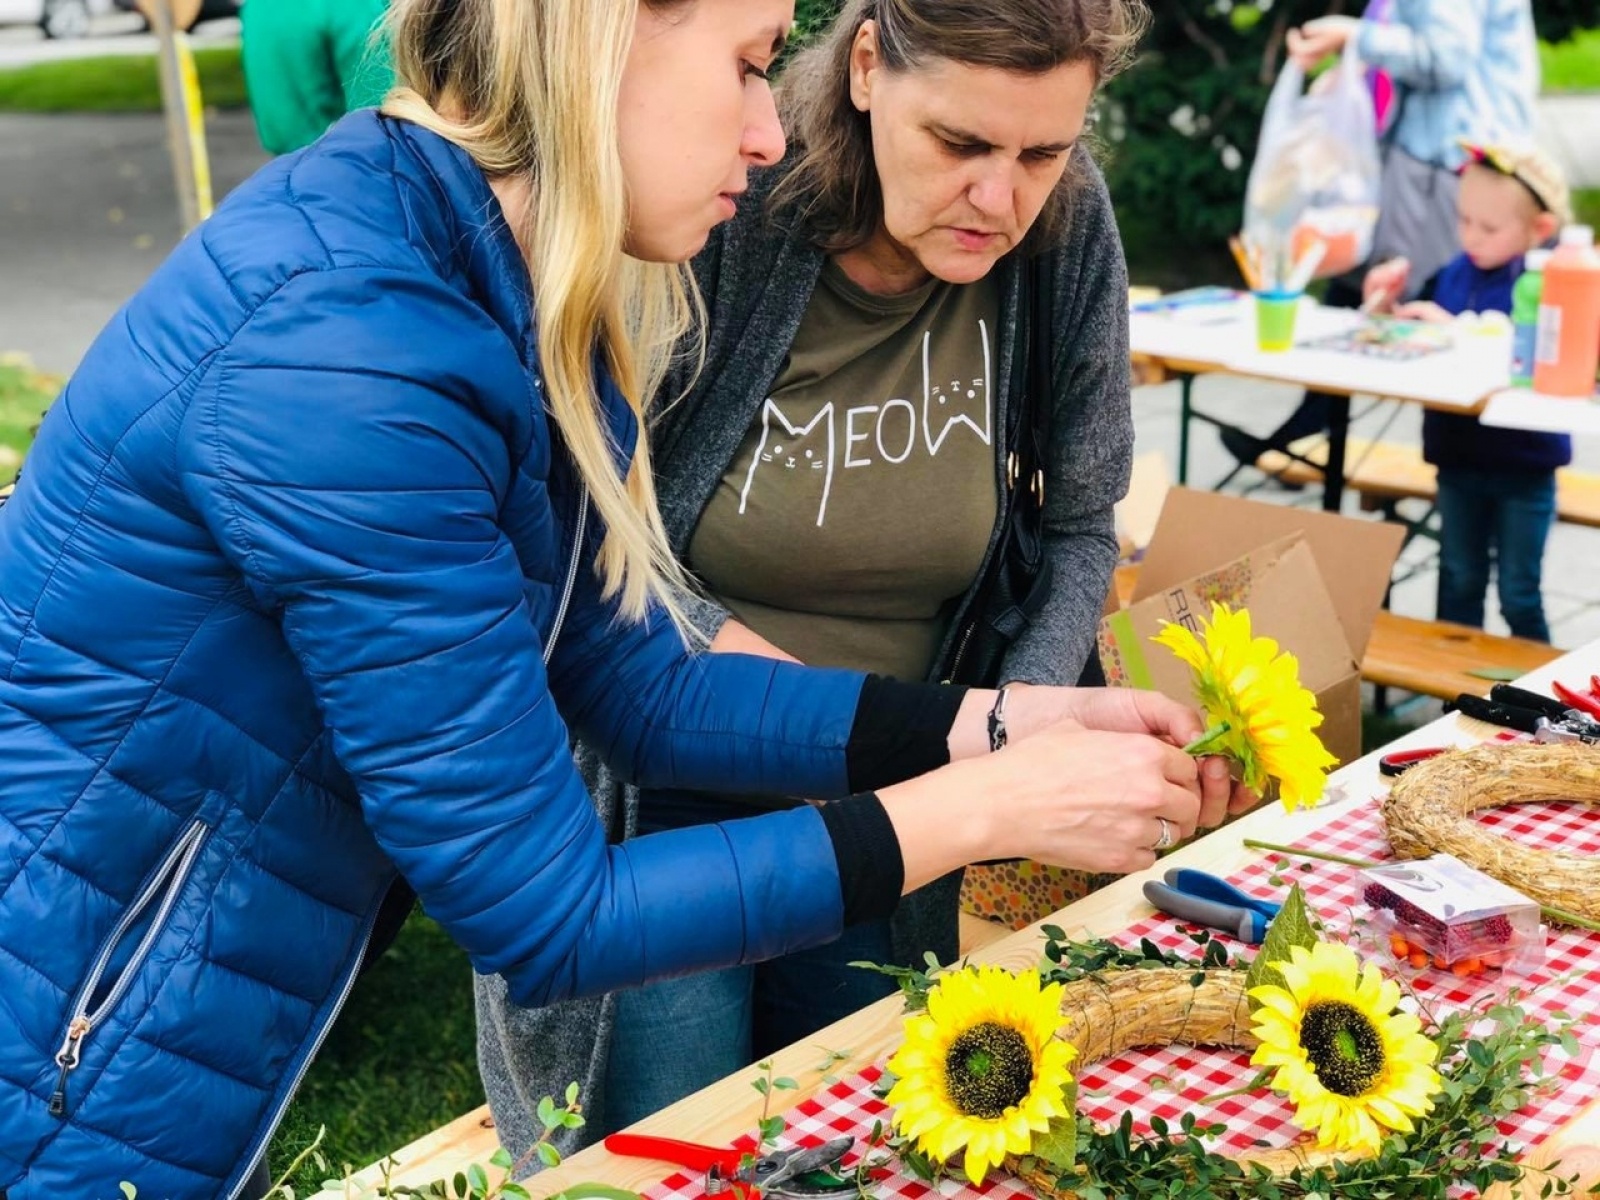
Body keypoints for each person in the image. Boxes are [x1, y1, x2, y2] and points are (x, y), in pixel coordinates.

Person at [0, 2, 1249, 1197]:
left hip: (143, 1008)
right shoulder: (359, 358)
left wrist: (996, 724)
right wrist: (984, 806)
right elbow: (547, 914)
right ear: (601, 34)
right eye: (750, 64)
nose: (768, 134)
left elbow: (640, 679)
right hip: (67, 1038)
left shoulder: (488, 278)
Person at [473, 0, 1224, 1162]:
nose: (1000, 198)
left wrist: (1015, 725)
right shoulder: (716, 202)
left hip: (914, 781)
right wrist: (820, 723)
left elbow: (1080, 524)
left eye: (1042, 152)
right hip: (674, 795)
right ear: (867, 66)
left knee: (848, 1131)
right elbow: (593, 550)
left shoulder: (1066, 231)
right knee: (667, 1139)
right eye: (959, 143)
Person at [1222, 0, 1540, 467]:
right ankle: (1307, 433)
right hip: (1451, 158)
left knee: (1416, 303)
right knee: (1369, 293)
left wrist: (1353, 36)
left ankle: (1312, 436)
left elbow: (1445, 58)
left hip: (1447, 160)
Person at [1362, 142, 1570, 640]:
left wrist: (1452, 330)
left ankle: (1542, 683)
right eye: (1463, 220)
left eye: (1489, 228)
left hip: (1524, 467)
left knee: (1519, 593)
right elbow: (1415, 329)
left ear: (1540, 228)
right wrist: (1385, 307)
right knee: (1458, 580)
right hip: (1457, 459)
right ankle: (1454, 682)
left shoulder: (1548, 285)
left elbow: (1528, 353)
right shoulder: (1454, 272)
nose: (1471, 236)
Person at [241, 0, 394, 154]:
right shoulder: (353, 7)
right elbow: (381, 108)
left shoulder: (256, 6)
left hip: (287, 158)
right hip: (352, 156)